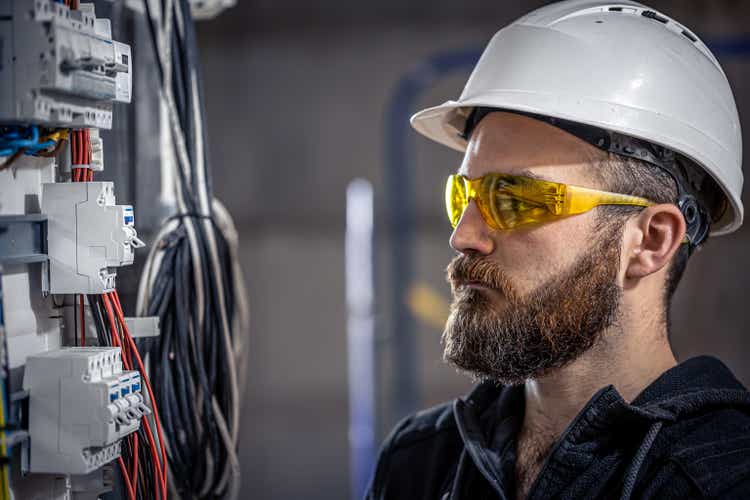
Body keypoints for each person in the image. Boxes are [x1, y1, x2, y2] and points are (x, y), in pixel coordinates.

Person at [365, 1, 750, 499]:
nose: (463, 235)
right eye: (464, 196)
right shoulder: (422, 461)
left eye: (517, 199)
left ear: (651, 241)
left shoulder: (722, 479)